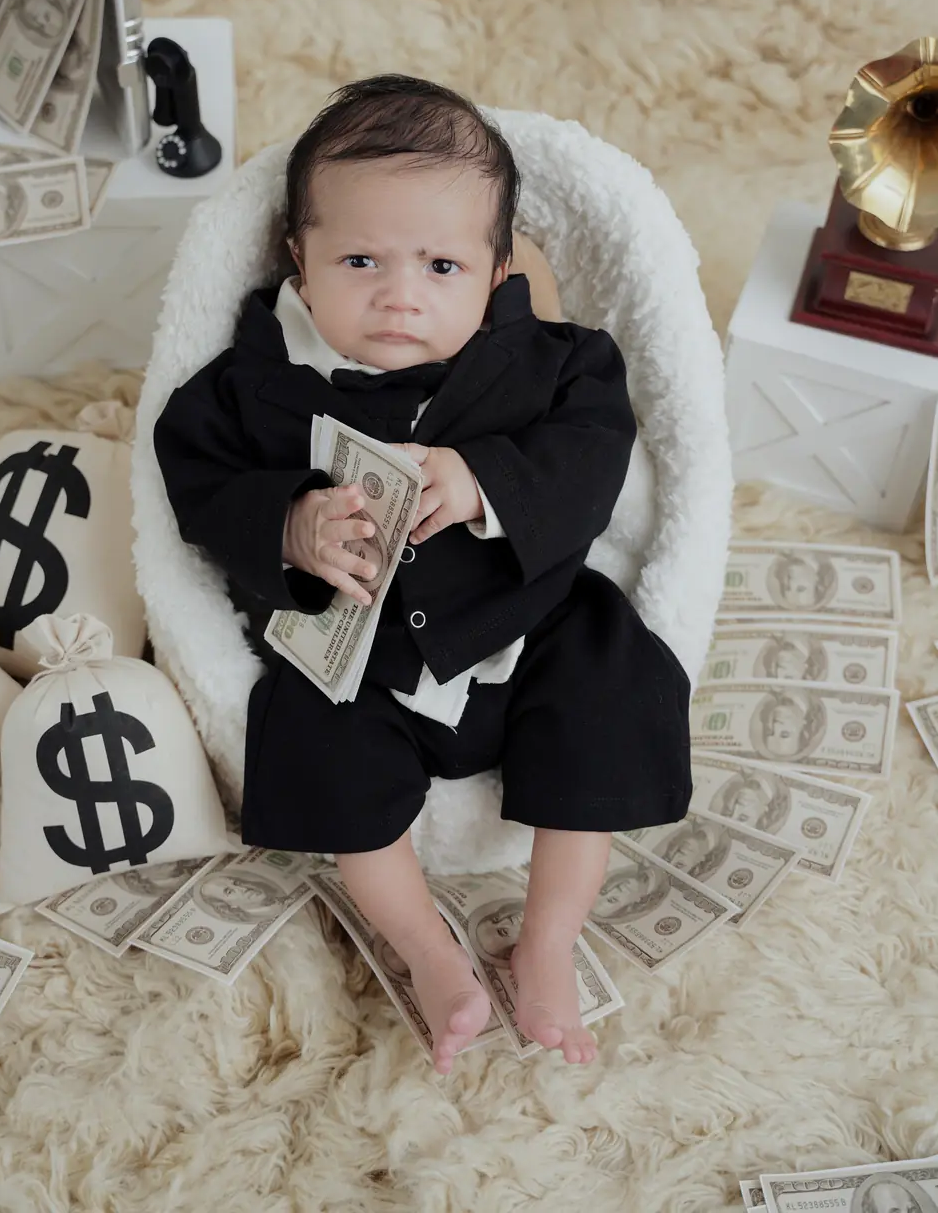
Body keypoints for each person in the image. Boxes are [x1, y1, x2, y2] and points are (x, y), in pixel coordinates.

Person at [155, 74, 691, 1073]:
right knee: (314, 737)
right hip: (355, 646)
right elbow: (193, 478)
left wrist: (486, 478)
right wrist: (289, 523)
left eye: (441, 265)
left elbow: (593, 449)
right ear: (298, 263)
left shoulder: (547, 365)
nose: (400, 294)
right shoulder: (251, 383)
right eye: (359, 258)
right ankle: (428, 953)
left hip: (523, 620)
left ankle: (546, 942)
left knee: (610, 675)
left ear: (494, 275)